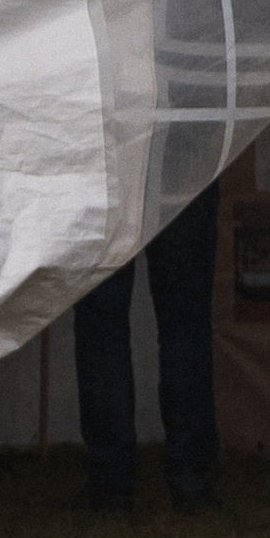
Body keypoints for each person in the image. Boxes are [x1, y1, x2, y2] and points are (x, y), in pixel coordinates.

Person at [74, 179, 223, 514]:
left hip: (110, 158)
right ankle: (190, 480)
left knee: (102, 320)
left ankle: (110, 481)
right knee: (185, 318)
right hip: (185, 149)